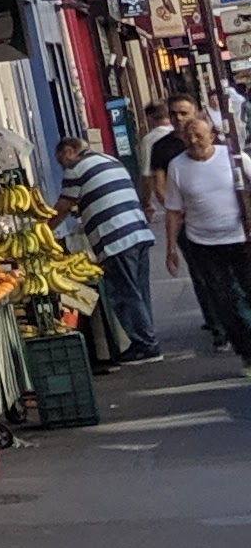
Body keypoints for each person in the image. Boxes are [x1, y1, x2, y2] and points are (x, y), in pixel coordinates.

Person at [159, 95, 251, 367]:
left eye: (199, 136)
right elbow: (174, 211)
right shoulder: (177, 166)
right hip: (204, 244)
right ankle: (247, 351)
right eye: (189, 138)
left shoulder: (233, 157)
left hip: (241, 238)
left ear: (211, 136)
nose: (194, 141)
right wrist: (170, 249)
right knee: (225, 301)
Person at [57, 130, 161, 365]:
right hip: (138, 231)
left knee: (125, 293)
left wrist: (42, 230)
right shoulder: (109, 160)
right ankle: (147, 339)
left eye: (61, 161)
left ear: (70, 151)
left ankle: (146, 345)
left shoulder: (76, 169)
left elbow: (63, 207)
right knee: (139, 291)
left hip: (116, 238)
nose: (63, 168)